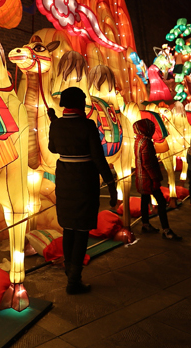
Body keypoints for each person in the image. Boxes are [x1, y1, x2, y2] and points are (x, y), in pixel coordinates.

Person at [47, 87, 118, 295]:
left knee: (69, 228)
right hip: (84, 180)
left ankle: (70, 271)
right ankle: (74, 281)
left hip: (64, 178)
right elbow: (98, 158)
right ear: (80, 103)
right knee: (82, 230)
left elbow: (53, 148)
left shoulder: (57, 125)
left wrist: (54, 125)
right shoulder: (88, 126)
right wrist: (111, 185)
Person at [133, 118, 183, 237]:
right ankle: (166, 230)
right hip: (148, 179)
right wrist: (155, 178)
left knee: (145, 200)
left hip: (141, 177)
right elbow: (147, 163)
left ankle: (145, 224)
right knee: (161, 202)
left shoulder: (138, 140)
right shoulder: (146, 142)